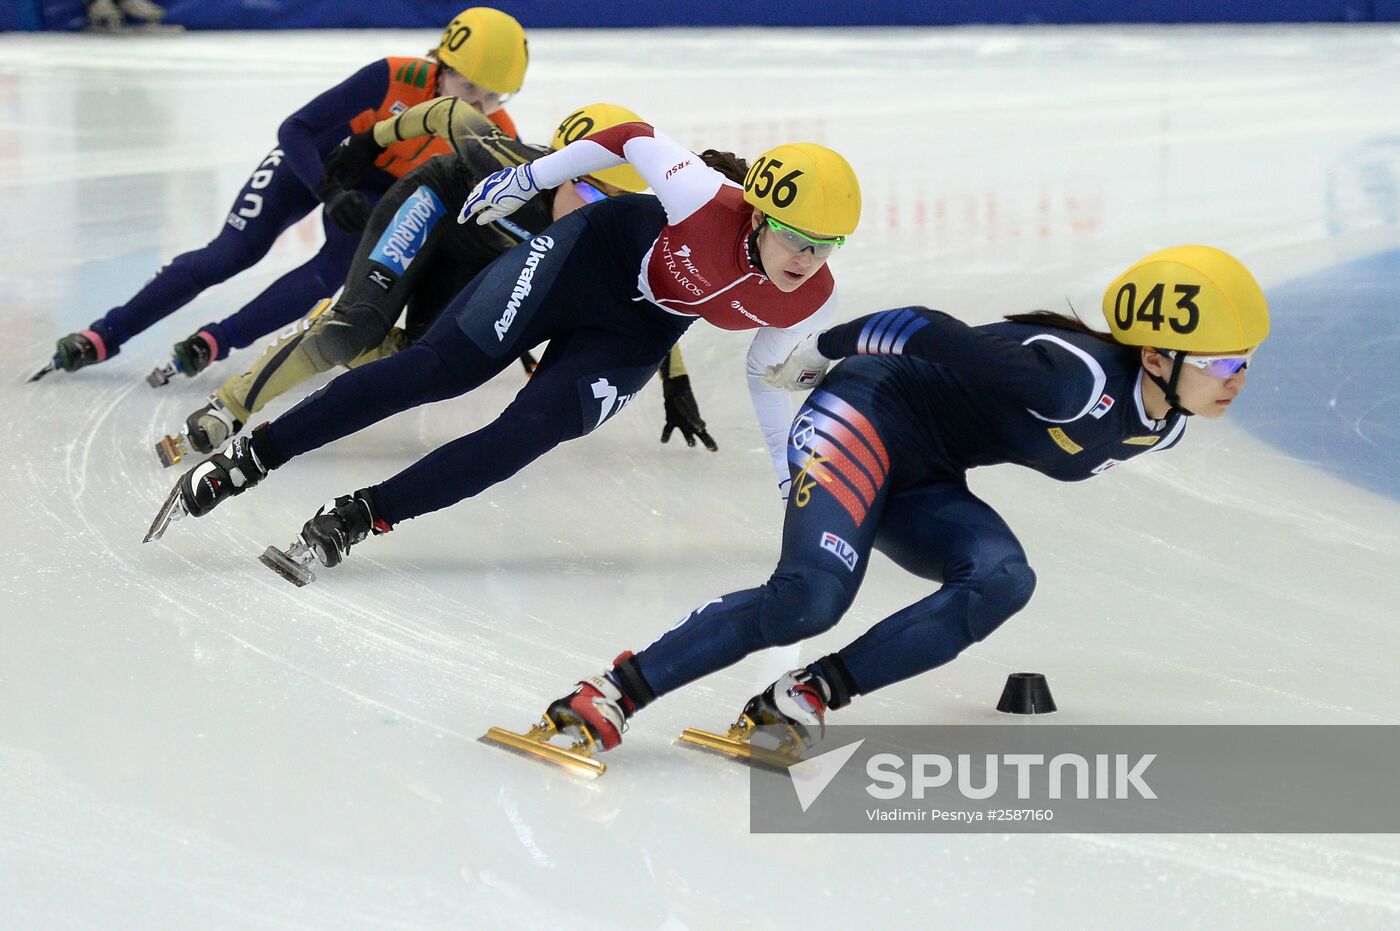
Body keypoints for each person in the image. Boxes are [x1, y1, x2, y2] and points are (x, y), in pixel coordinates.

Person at [514, 245, 1269, 761]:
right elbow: (925, 327)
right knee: (810, 597)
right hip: (860, 415)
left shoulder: (1166, 422)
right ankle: (611, 693)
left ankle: (802, 695)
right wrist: (820, 351)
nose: (1237, 378)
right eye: (1225, 362)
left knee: (1005, 577)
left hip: (925, 470)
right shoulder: (1071, 380)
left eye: (1244, 361)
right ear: (1159, 355)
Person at [148, 119, 861, 580]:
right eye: (798, 239)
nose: (808, 258)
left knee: (526, 434)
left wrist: (786, 478)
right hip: (585, 256)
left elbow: (765, 374)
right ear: (761, 214)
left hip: (637, 329)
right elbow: (630, 134)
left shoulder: (810, 293)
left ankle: (362, 515)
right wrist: (526, 179)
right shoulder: (701, 194)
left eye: (826, 246)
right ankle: (253, 457)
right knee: (438, 370)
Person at [157, 100, 714, 463]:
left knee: (416, 361)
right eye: (591, 193)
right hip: (435, 202)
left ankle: (329, 326)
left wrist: (675, 378)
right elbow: (449, 112)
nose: (598, 212)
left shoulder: (604, 236)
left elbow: (650, 292)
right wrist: (368, 143)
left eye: (615, 204)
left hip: (474, 257)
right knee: (353, 329)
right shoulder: (510, 160)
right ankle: (230, 405)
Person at [39, 7, 528, 380]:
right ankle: (104, 334)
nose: (479, 106)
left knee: (330, 274)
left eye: (493, 97)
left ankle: (216, 340)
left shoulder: (492, 132)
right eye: (468, 88)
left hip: (377, 193)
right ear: (439, 64)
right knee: (229, 255)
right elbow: (295, 129)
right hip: (314, 163)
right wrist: (327, 188)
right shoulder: (393, 76)